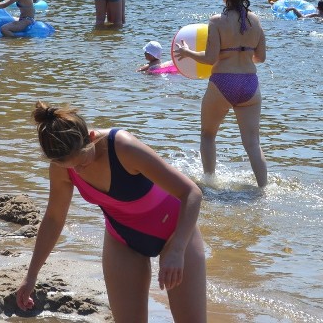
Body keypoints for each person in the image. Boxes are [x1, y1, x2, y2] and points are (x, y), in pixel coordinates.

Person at [15, 101, 207, 322]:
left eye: (81, 162)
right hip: (123, 238)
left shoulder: (123, 147)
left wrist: (178, 250)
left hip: (176, 233)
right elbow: (54, 218)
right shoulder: (62, 167)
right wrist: (31, 277)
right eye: (70, 166)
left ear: (91, 137)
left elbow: (191, 193)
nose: (77, 170)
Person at [173, 0, 268, 187]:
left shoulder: (217, 21)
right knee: (253, 143)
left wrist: (187, 53)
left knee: (208, 135)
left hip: (223, 83)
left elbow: (209, 59)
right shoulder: (256, 21)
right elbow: (260, 57)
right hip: (250, 85)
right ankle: (264, 188)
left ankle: (209, 182)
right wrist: (242, 53)